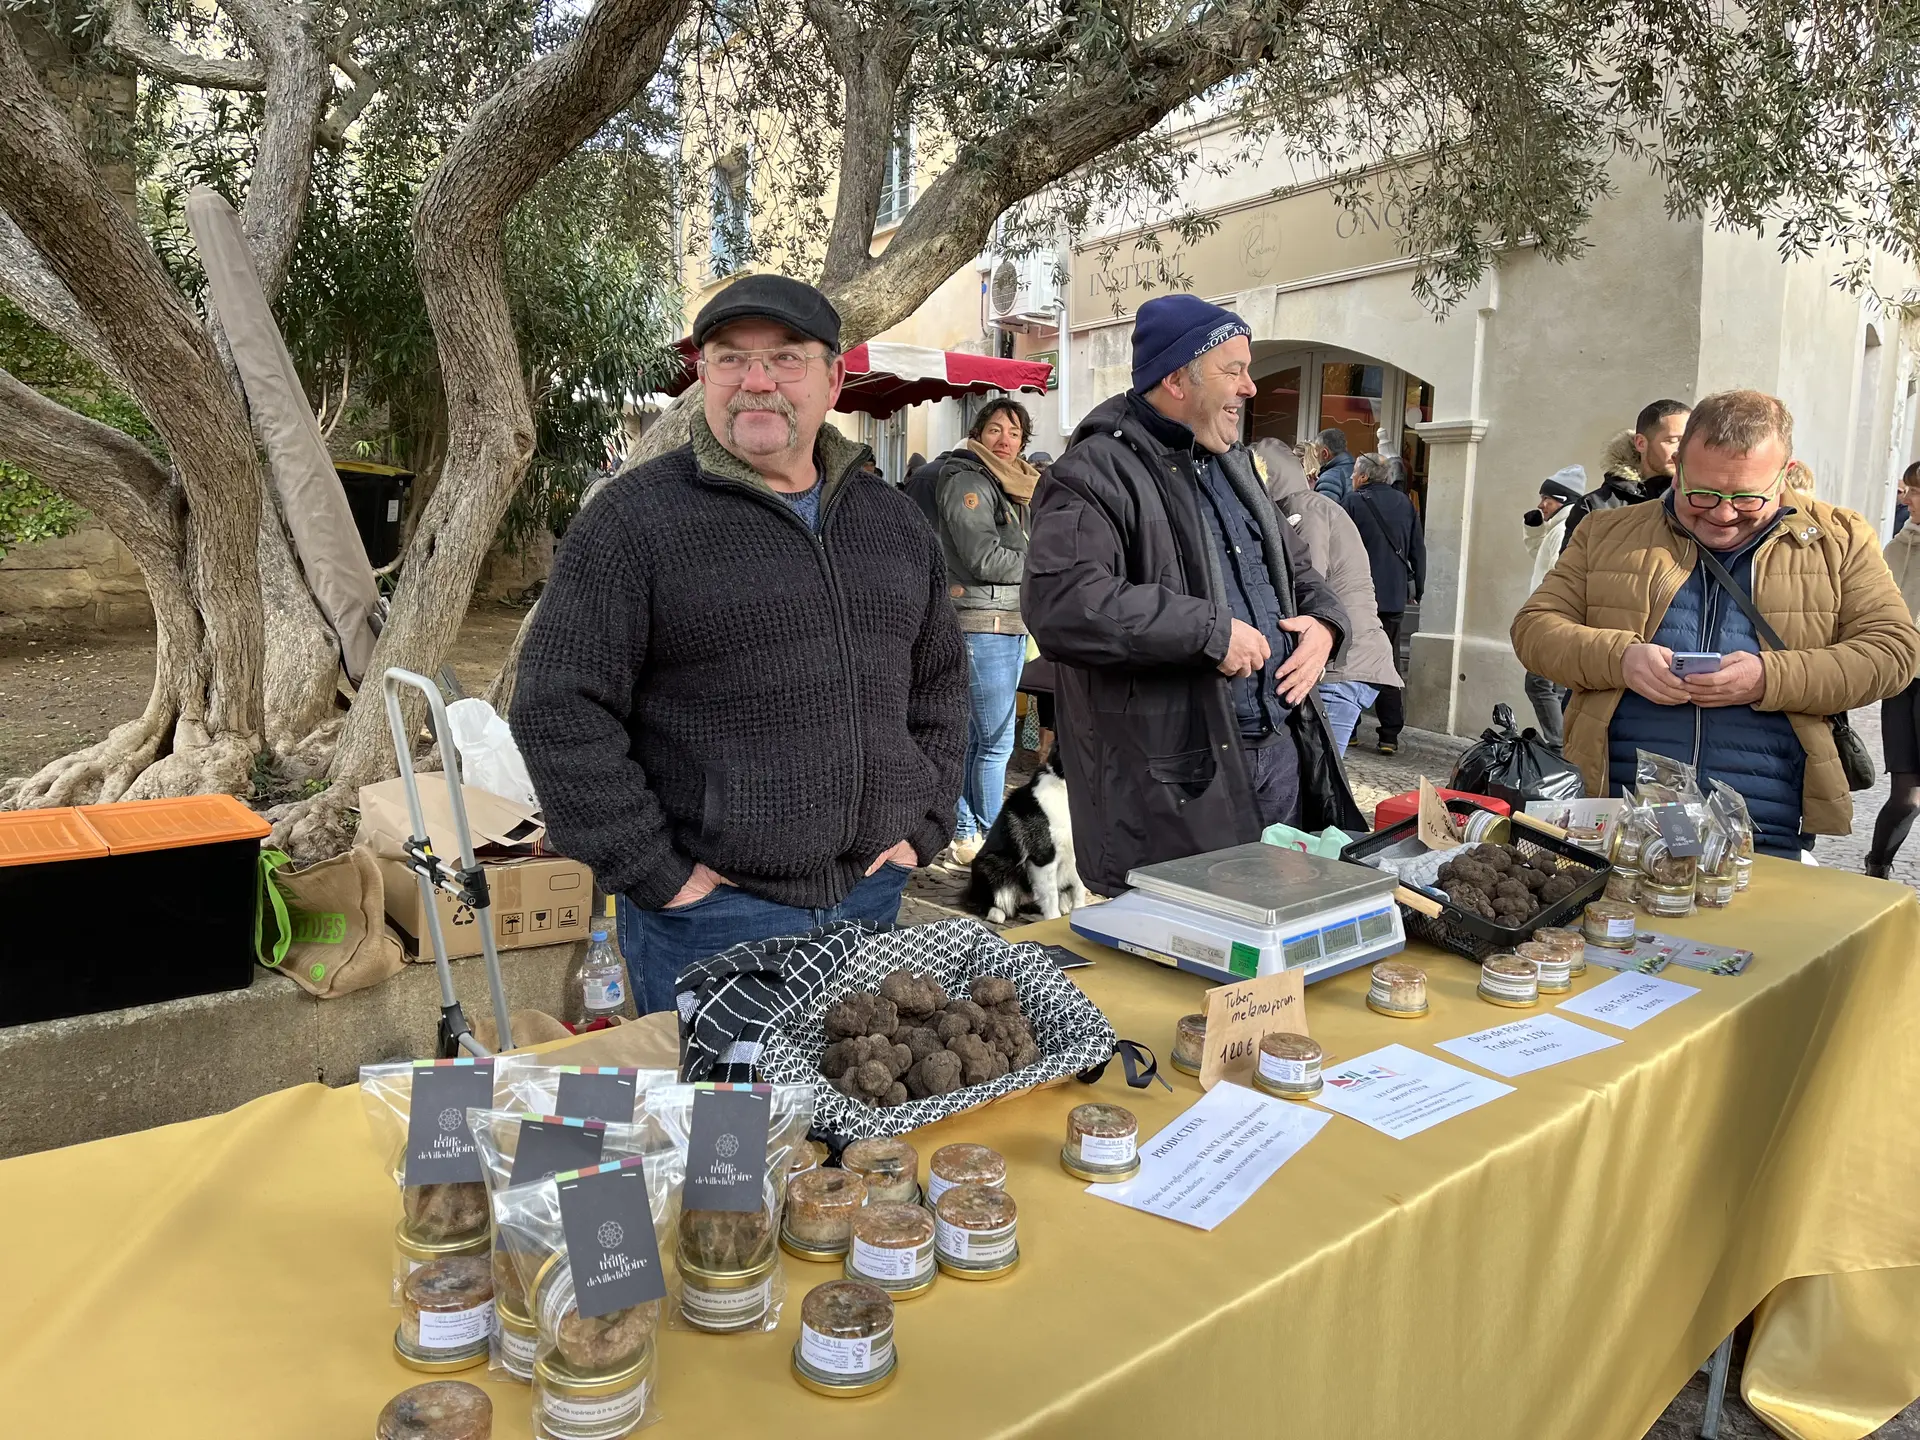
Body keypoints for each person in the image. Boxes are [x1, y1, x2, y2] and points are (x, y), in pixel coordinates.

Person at [511, 274, 968, 1013]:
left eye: (786, 358)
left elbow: (941, 686)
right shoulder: (633, 521)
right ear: (704, 375)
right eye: (729, 358)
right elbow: (558, 708)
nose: (757, 381)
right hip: (712, 917)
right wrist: (654, 869)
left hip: (871, 898)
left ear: (834, 378)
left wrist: (924, 825)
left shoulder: (894, 522)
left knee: (852, 1119)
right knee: (722, 1129)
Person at [1023, 293, 1364, 896]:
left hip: (1275, 753)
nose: (1251, 388)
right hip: (1175, 780)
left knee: (1272, 951)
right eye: (1233, 370)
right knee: (1191, 966)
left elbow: (1296, 570)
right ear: (1176, 378)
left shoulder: (1234, 465)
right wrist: (1210, 633)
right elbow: (1065, 604)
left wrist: (1326, 624)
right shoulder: (1093, 472)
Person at [1514, 389, 1918, 858]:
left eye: (1746, 498)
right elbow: (1534, 628)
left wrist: (1769, 677)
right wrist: (1620, 658)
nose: (1723, 515)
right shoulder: (1607, 532)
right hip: (1616, 815)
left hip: (1766, 824)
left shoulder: (1840, 540)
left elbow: (1893, 652)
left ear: (1784, 476)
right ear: (1678, 466)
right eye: (1702, 493)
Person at [927, 396, 1042, 865]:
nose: (1005, 440)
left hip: (1007, 621)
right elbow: (983, 558)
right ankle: (991, 840)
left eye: (1014, 433)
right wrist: (1043, 565)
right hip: (981, 622)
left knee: (978, 738)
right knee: (994, 743)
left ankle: (966, 829)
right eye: (995, 429)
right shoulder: (969, 480)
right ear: (978, 433)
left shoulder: (1014, 486)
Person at [1256, 439, 1403, 751]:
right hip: (1345, 657)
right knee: (1314, 775)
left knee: (1320, 779)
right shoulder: (1304, 506)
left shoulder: (1303, 509)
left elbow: (1308, 585)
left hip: (1342, 663)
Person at [1343, 451, 1425, 754]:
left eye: (1354, 473)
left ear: (1363, 476)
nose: (1352, 478)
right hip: (1393, 596)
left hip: (1358, 595)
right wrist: (1420, 587)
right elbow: (1418, 547)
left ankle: (1350, 728)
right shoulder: (1405, 503)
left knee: (1351, 660)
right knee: (1388, 661)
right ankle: (1389, 734)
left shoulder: (1352, 503)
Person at [1867, 463, 1920, 876]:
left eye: (1915, 492)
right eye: (1906, 490)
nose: (1906, 499)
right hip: (1904, 681)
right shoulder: (1897, 546)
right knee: (1906, 794)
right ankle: (1878, 867)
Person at [1560, 399, 1690, 552]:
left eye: (1688, 441)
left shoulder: (1702, 500)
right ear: (1641, 443)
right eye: (1672, 441)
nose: (1682, 451)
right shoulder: (1596, 506)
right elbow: (1569, 572)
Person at [1520, 465, 1587, 747]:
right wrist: (1534, 529)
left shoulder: (1563, 531)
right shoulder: (1558, 528)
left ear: (1562, 501)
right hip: (1557, 618)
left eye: (1546, 498)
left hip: (1554, 619)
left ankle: (1560, 746)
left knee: (1539, 684)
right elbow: (1541, 558)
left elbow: (1560, 575)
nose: (1540, 504)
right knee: (1555, 688)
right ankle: (1564, 745)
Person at [1313, 427, 1355, 501]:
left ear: (1325, 453)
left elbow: (1323, 511)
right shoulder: (1359, 470)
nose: (1315, 455)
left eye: (1316, 450)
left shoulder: (1328, 478)